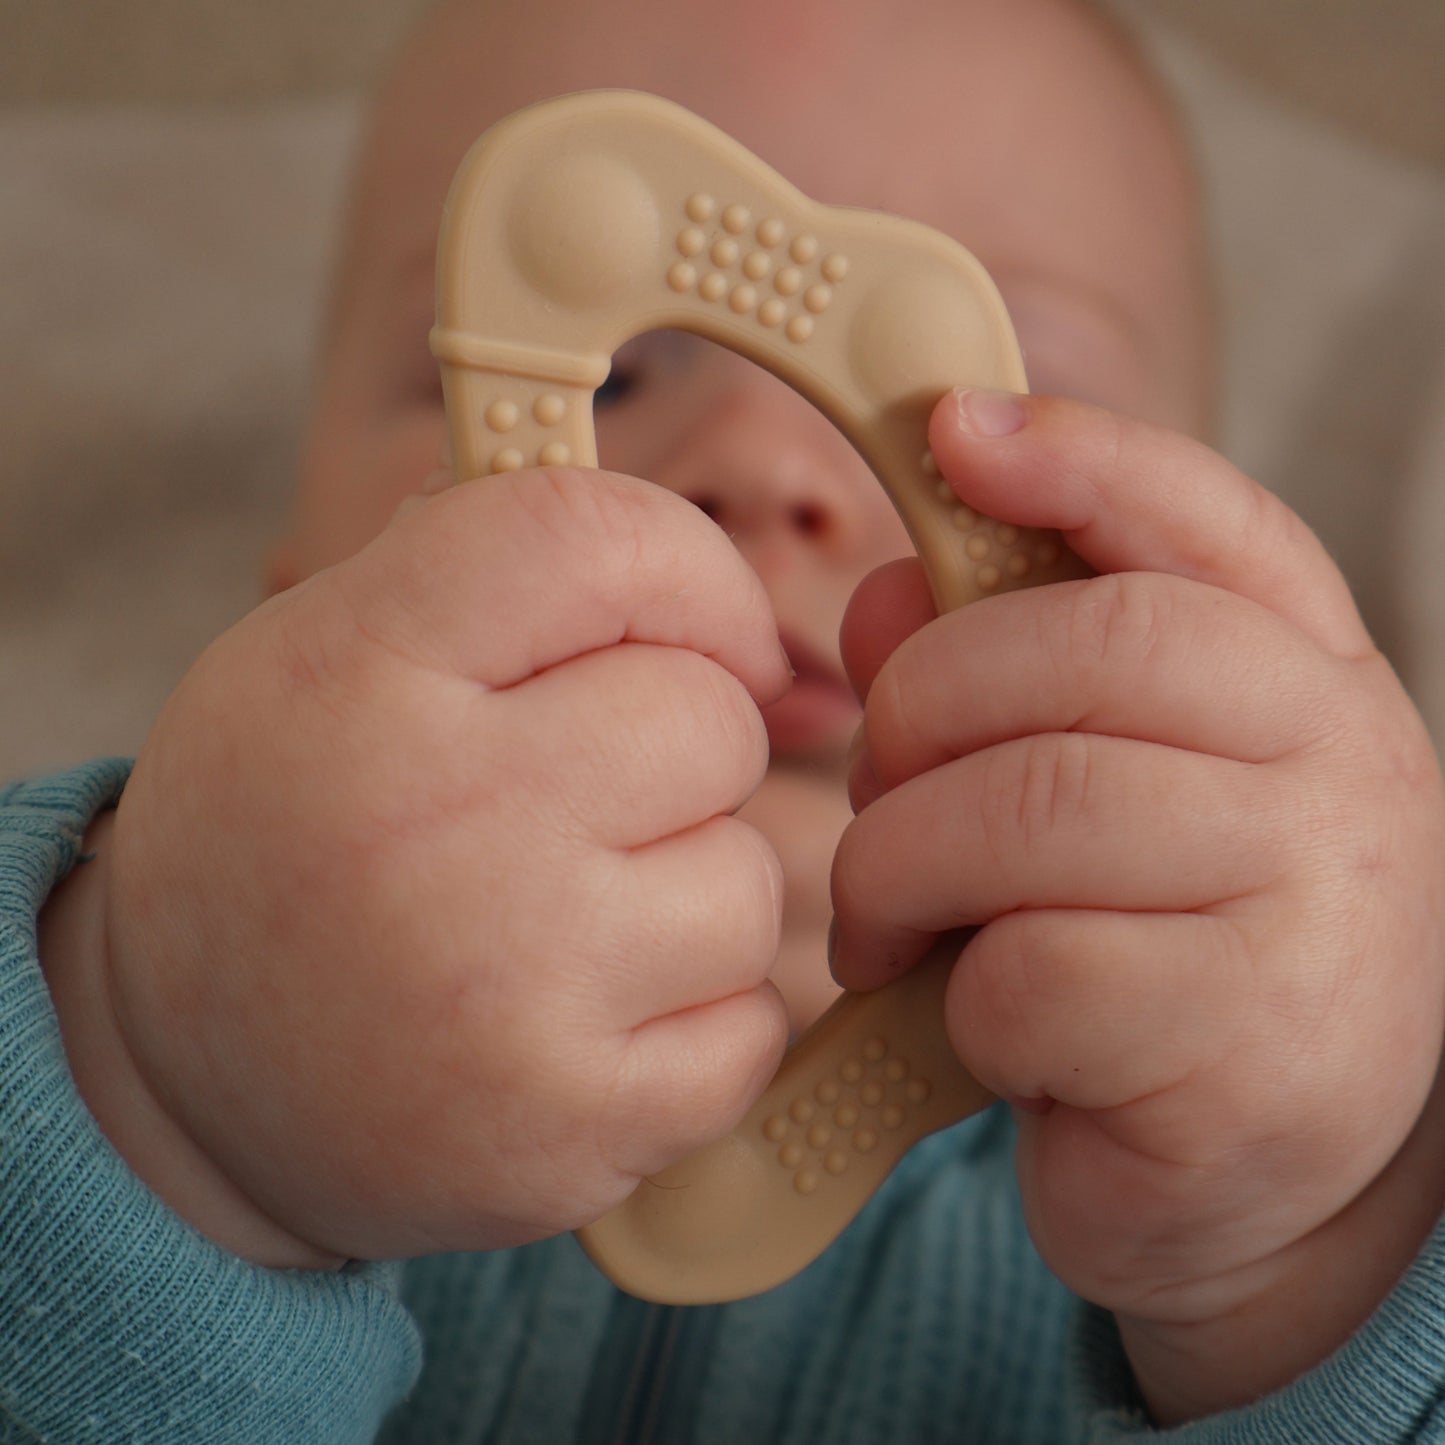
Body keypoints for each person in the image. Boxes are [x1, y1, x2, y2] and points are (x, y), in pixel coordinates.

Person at [5, 0, 1444, 1439]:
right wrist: (162, 1086)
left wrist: (1310, 1253)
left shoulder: (1209, 1192)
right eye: (618, 374)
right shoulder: (117, 974)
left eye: (992, 387)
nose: (756, 460)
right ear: (285, 607)